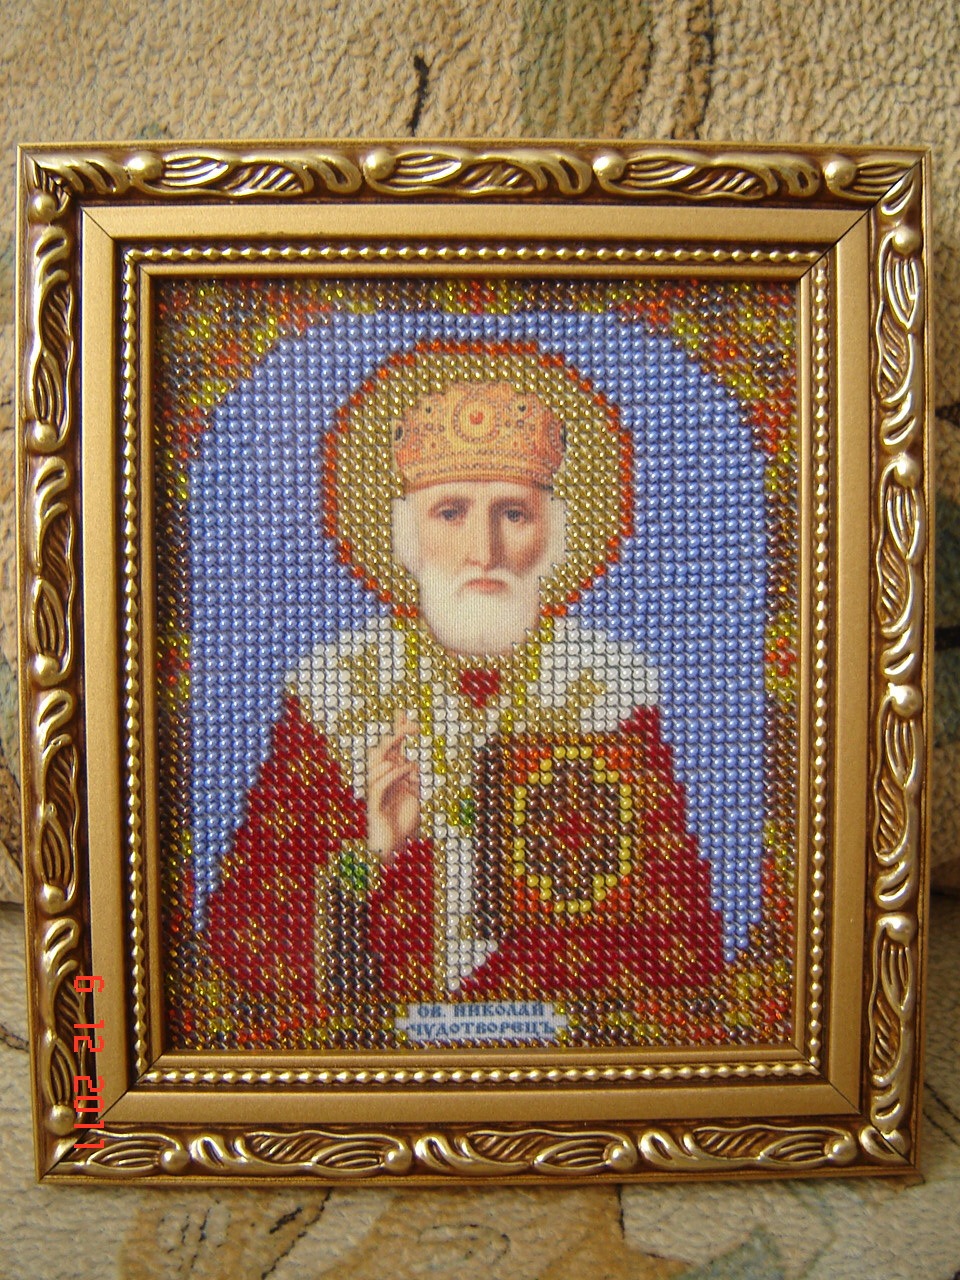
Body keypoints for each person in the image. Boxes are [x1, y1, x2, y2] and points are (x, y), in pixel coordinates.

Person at [203, 360, 723, 1036]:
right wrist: (375, 856)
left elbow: (680, 949)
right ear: (405, 536)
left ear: (555, 534)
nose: (485, 551)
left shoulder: (607, 692)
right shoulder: (337, 693)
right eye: (450, 512)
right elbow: (248, 947)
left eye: (514, 513)